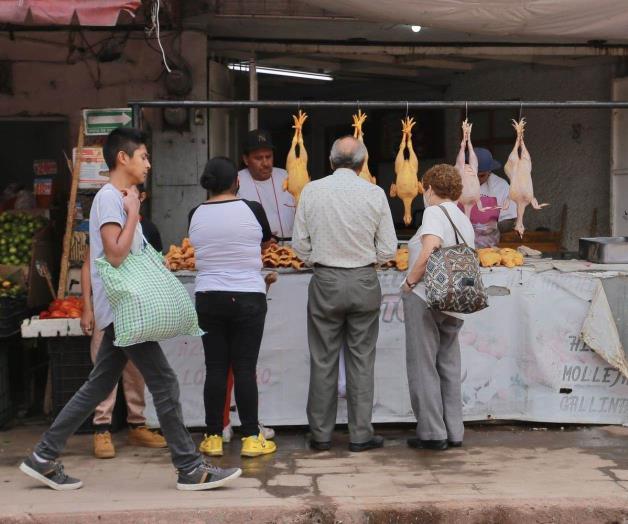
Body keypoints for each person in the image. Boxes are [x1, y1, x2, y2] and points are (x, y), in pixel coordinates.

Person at [20, 128, 241, 491]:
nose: (148, 164)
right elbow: (115, 254)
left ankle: (43, 456)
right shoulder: (110, 199)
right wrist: (135, 211)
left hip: (119, 310)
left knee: (97, 385)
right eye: (143, 156)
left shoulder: (116, 197)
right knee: (165, 383)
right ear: (123, 158)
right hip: (125, 311)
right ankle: (189, 467)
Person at [292, 135, 397, 452]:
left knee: (323, 358)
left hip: (326, 280)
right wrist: (365, 260)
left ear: (330, 161)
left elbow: (299, 245)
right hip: (364, 279)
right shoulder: (375, 194)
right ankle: (360, 434)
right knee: (362, 359)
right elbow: (389, 248)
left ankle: (321, 435)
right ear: (363, 163)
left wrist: (319, 261)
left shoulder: (312, 191)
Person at [189, 156, 277, 459]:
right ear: (236, 182)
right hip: (248, 297)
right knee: (243, 367)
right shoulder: (252, 209)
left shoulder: (195, 213)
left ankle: (213, 436)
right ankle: (252, 437)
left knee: (215, 367)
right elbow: (266, 244)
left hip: (208, 296)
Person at [401, 163, 475, 451]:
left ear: (429, 188)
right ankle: (454, 430)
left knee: (423, 365)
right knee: (448, 364)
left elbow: (430, 247)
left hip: (427, 296)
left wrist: (409, 282)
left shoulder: (433, 212)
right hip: (455, 299)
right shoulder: (463, 218)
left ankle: (432, 433)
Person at [80, 244, 167, 459]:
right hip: (106, 311)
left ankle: (137, 426)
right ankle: (101, 429)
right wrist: (87, 308)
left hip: (136, 310)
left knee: (136, 372)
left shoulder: (145, 231)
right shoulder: (106, 225)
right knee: (103, 373)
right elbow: (87, 267)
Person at [238, 129, 295, 240]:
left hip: (290, 246)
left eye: (268, 157)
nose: (265, 163)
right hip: (256, 248)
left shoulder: (286, 176)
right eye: (258, 158)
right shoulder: (236, 181)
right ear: (246, 159)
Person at [467, 147, 517, 248]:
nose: (476, 179)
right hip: (461, 244)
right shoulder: (457, 183)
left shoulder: (501, 186)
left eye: (481, 176)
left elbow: (510, 220)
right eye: (473, 175)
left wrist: (491, 227)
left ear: (489, 171)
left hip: (488, 245)